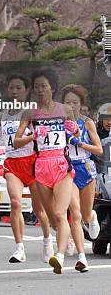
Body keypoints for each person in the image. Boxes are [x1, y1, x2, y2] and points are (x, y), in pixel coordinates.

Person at [0, 74, 53, 264]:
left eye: (19, 88)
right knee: (16, 203)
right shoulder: (3, 115)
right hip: (12, 163)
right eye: (11, 88)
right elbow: (1, 140)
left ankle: (47, 241)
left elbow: (42, 136)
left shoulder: (34, 113)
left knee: (39, 209)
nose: (15, 91)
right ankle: (19, 248)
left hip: (33, 162)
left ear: (26, 91)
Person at [14, 67, 81, 274]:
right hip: (41, 167)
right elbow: (17, 142)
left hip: (61, 164)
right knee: (52, 219)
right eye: (36, 87)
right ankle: (65, 235)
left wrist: (74, 129)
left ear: (52, 87)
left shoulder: (64, 110)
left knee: (61, 215)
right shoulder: (29, 113)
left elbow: (75, 131)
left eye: (44, 86)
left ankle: (59, 257)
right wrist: (32, 136)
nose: (40, 90)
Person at [62, 85, 102, 239]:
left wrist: (80, 143)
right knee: (74, 210)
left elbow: (99, 149)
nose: (71, 106)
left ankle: (91, 216)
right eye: (68, 103)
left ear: (81, 104)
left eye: (75, 102)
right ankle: (72, 241)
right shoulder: (58, 122)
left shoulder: (87, 123)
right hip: (67, 168)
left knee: (84, 215)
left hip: (85, 167)